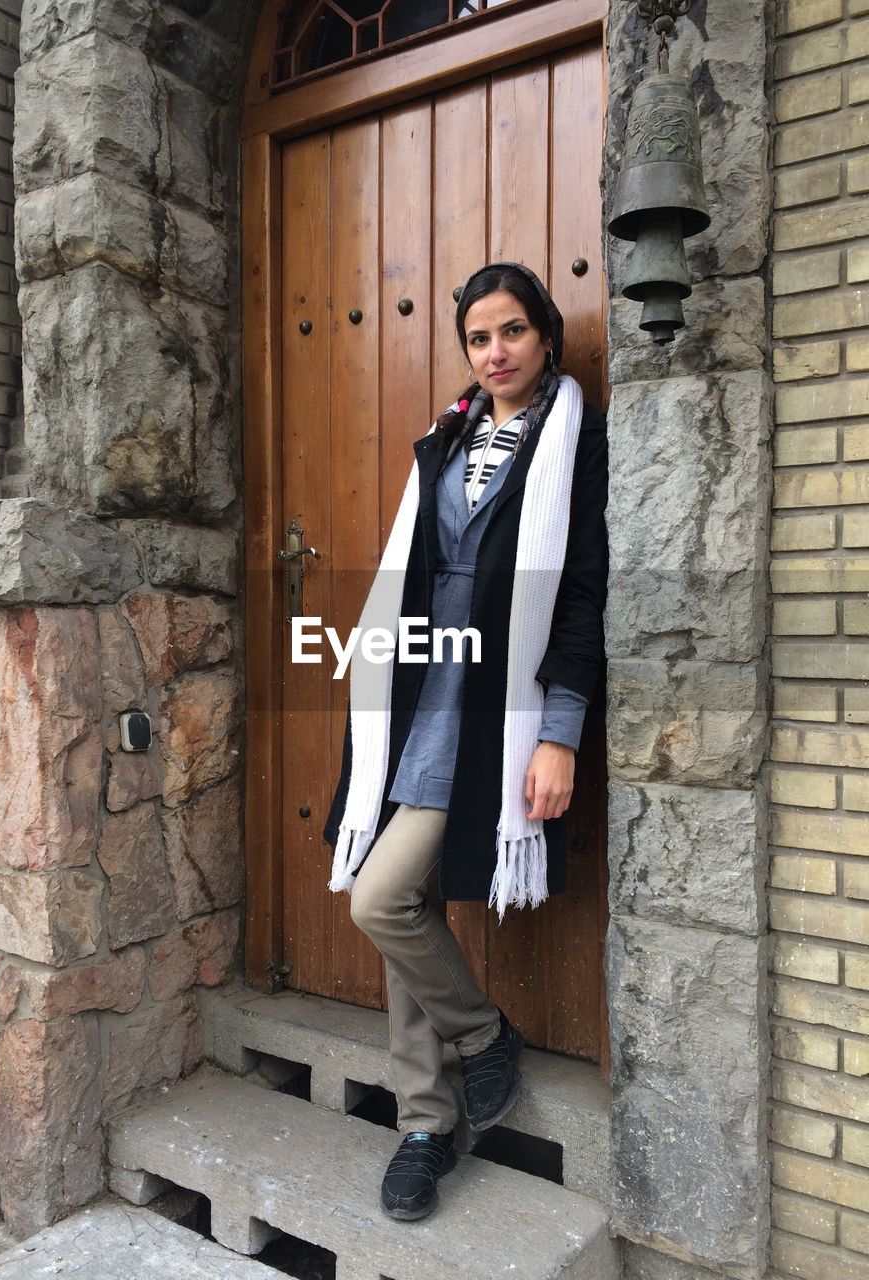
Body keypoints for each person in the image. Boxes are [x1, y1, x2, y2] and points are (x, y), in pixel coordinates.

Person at [322, 261, 609, 1222]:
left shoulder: (577, 444)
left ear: (546, 337)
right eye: (479, 338)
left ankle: (477, 1050)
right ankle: (427, 1118)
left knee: (384, 897)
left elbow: (580, 597)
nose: (496, 353)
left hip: (497, 700)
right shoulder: (444, 440)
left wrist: (558, 732)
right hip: (415, 689)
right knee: (399, 897)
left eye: (513, 331)